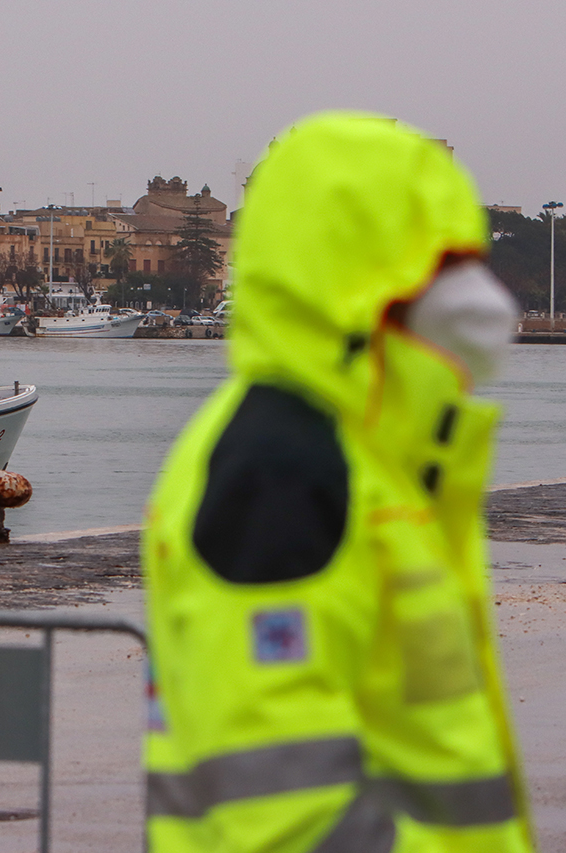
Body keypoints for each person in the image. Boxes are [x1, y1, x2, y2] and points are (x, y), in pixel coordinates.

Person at [143, 113, 534, 853]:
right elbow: (279, 806)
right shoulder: (282, 468)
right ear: (360, 271)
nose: (479, 296)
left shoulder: (361, 454)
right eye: (443, 262)